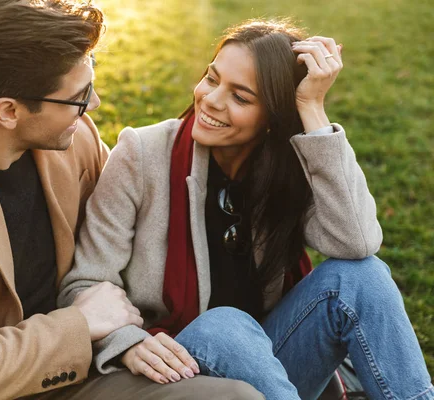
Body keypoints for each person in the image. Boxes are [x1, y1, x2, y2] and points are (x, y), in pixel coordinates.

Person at [0, 1, 263, 399]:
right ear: (8, 111)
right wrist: (77, 327)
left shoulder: (73, 140)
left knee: (232, 397)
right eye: (78, 98)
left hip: (72, 376)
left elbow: (122, 252)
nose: (92, 105)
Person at [59, 20, 434, 400]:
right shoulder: (142, 154)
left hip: (268, 365)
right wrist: (128, 342)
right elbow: (86, 282)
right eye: (211, 78)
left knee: (362, 276)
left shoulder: (289, 163)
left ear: (273, 117)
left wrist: (313, 111)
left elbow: (356, 241)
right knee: (225, 324)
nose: (211, 100)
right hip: (178, 367)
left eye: (240, 97)